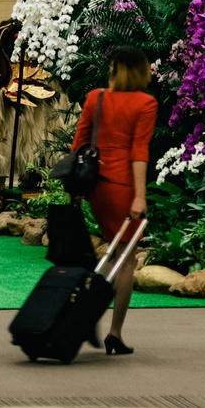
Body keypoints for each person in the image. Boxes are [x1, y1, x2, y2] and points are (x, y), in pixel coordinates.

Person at [70, 45, 157, 356]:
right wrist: (140, 197)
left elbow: (79, 143)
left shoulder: (96, 98)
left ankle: (86, 312)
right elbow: (139, 153)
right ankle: (114, 332)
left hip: (96, 186)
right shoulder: (145, 103)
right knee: (126, 258)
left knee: (111, 252)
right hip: (123, 186)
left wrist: (76, 185)